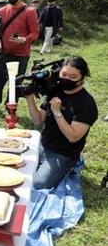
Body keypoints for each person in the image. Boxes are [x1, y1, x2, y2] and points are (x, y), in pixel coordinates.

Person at [26, 57, 98, 189]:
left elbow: (73, 137)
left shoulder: (86, 104)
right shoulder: (55, 91)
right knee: (15, 171)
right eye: (64, 74)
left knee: (37, 185)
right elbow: (38, 120)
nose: (66, 79)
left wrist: (57, 113)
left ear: (82, 78)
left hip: (63, 154)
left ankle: (67, 167)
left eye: (73, 76)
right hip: (42, 144)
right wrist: (29, 97)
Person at [0, 0, 39, 107]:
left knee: (15, 83)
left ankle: (10, 107)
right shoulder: (2, 11)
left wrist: (24, 39)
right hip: (3, 52)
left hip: (21, 55)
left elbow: (35, 33)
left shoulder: (30, 12)